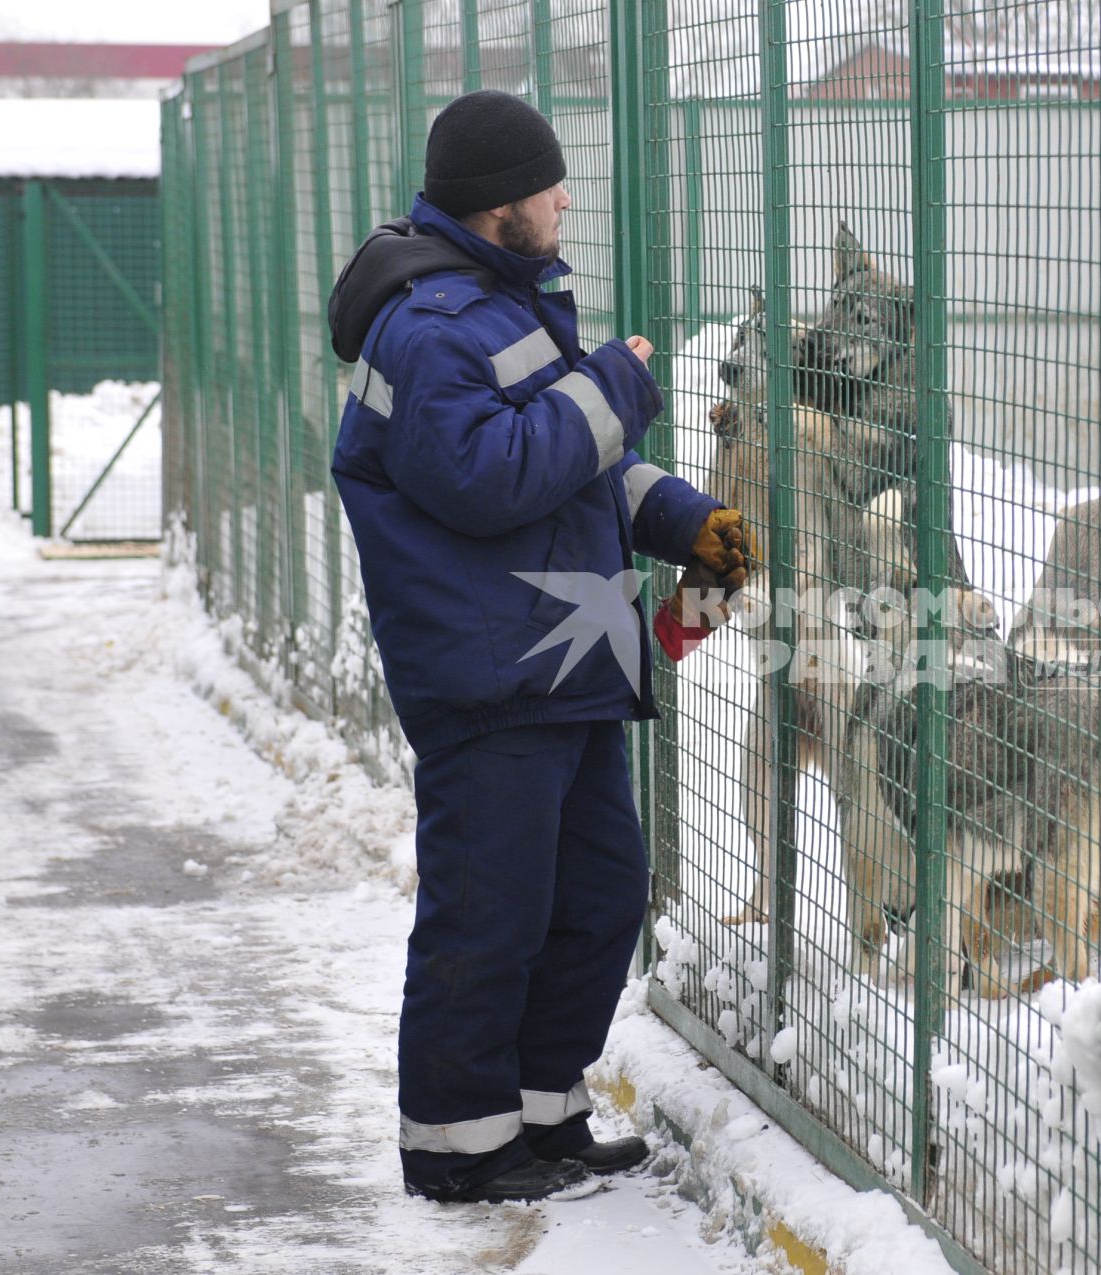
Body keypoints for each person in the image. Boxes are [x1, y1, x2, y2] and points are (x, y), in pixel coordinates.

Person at [327, 89, 747, 1204]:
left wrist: (684, 520)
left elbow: (574, 472)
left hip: (562, 657)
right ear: (501, 202)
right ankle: (461, 1150)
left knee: (599, 898)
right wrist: (618, 382)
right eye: (552, 184)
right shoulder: (430, 328)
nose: (567, 199)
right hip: (490, 672)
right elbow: (483, 477)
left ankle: (542, 1117)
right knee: (491, 916)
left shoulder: (503, 306)